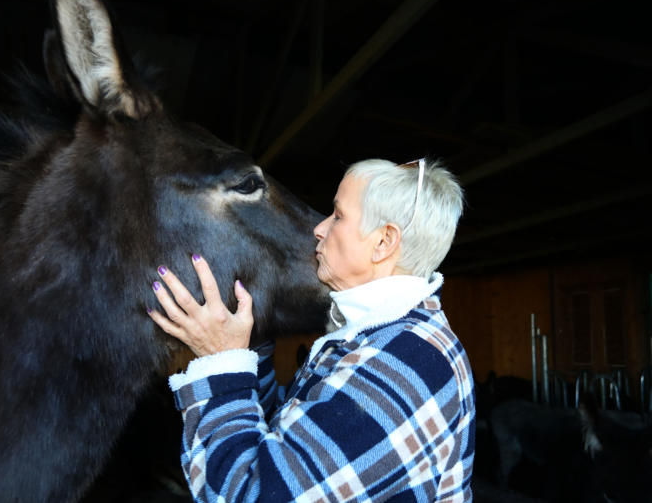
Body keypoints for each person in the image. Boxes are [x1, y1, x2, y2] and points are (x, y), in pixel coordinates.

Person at [147, 158, 475, 502]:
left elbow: (253, 492)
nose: (319, 228)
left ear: (383, 242)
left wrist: (222, 360)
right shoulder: (383, 338)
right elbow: (288, 440)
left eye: (338, 215)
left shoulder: (404, 367)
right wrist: (249, 343)